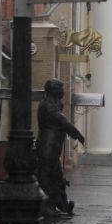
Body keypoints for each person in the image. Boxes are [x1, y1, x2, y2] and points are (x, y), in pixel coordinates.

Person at [36, 78, 85, 216]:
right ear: (55, 90)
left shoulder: (53, 104)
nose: (64, 91)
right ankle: (48, 206)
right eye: (61, 88)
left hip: (52, 149)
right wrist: (79, 136)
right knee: (48, 178)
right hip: (47, 149)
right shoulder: (47, 105)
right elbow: (62, 121)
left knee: (56, 178)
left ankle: (62, 205)